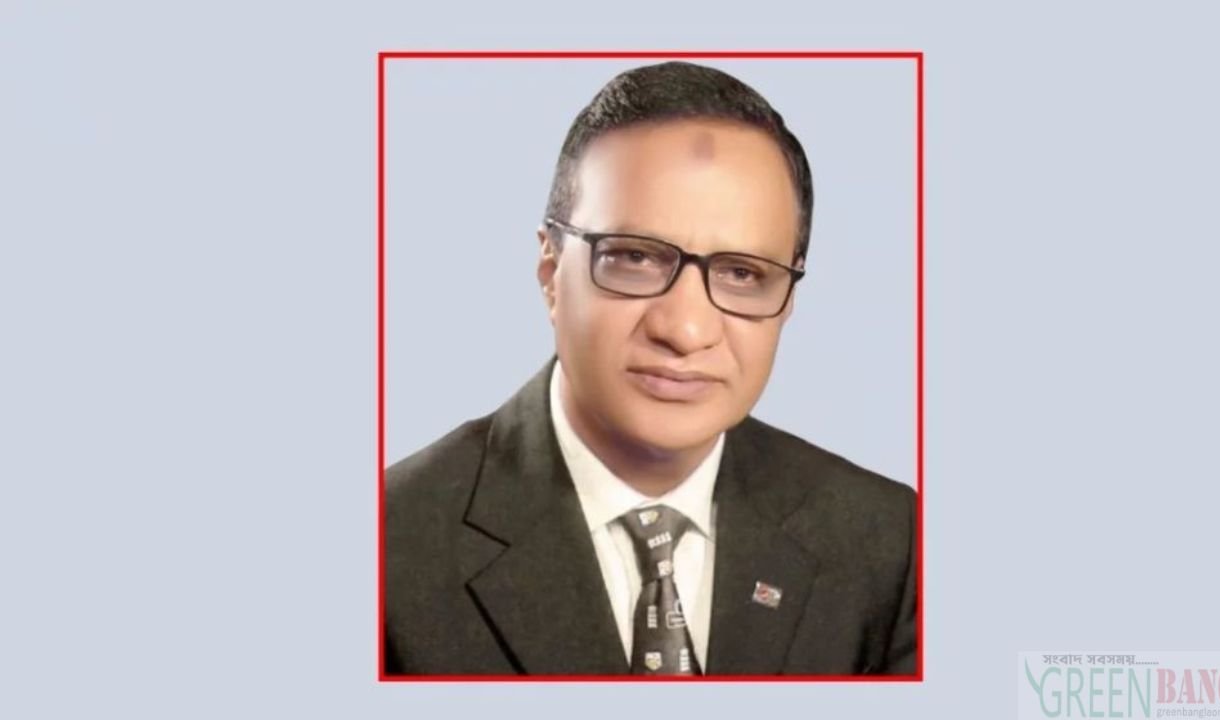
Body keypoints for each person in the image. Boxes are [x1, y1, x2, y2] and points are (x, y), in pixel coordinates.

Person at [384, 61, 917, 676]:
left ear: (789, 297)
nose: (685, 330)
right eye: (634, 258)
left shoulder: (887, 541)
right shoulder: (388, 548)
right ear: (551, 271)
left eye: (742, 273)